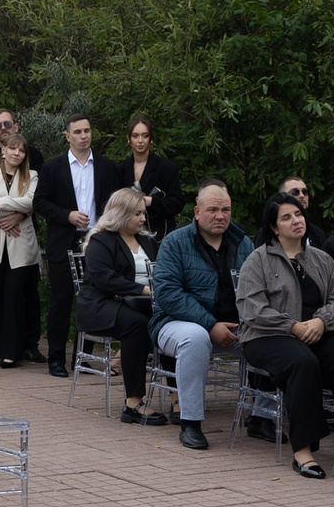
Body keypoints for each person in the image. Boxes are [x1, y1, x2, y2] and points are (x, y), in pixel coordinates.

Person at [235, 193, 334, 479]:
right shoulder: (258, 259)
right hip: (266, 335)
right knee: (302, 362)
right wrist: (292, 326)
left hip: (314, 331)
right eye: (286, 217)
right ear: (274, 227)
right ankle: (303, 450)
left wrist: (321, 321)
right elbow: (252, 308)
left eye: (298, 214)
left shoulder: (321, 259)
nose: (296, 220)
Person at [150, 181, 253, 450]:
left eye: (226, 210)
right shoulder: (175, 242)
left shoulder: (243, 243)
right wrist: (210, 324)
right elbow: (167, 293)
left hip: (234, 325)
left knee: (271, 336)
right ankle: (191, 423)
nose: (220, 216)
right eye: (213, 210)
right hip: (175, 323)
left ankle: (263, 417)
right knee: (196, 338)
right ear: (197, 212)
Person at [34, 116, 122, 376]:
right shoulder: (53, 167)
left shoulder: (107, 166)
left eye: (87, 131)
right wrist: (67, 215)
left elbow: (116, 204)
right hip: (64, 241)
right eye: (78, 132)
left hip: (97, 242)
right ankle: (56, 359)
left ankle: (83, 358)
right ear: (67, 136)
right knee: (61, 301)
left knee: (93, 300)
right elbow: (40, 203)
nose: (84, 136)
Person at [78, 188, 163, 426]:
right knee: (137, 325)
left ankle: (178, 397)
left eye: (143, 213)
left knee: (168, 322)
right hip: (102, 303)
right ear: (121, 213)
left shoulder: (147, 241)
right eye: (137, 214)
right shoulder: (101, 241)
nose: (143, 218)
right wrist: (143, 290)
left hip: (143, 304)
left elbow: (162, 271)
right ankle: (133, 403)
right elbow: (104, 278)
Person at [0, 136, 39, 367]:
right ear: (3, 150)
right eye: (12, 148)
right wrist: (15, 210)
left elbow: (32, 202)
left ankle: (12, 352)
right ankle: (0, 349)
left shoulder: (32, 176)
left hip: (21, 246)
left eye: (21, 150)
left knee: (14, 297)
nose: (16, 153)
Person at [122, 117, 181, 241]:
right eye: (135, 136)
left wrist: (151, 202)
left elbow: (177, 203)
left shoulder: (167, 168)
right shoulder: (120, 170)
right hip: (129, 236)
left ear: (151, 139)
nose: (140, 141)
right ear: (129, 139)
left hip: (161, 237)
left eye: (145, 136)